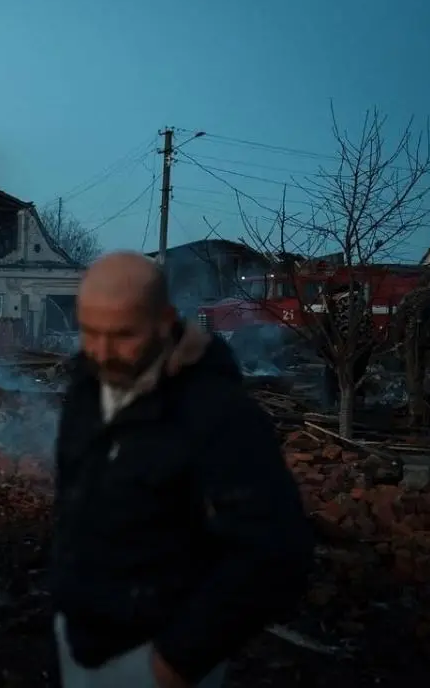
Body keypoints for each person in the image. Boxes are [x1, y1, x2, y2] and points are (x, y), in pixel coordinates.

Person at [52, 251, 313, 688]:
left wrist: (180, 657)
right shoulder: (86, 387)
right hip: (81, 640)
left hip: (154, 655)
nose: (103, 352)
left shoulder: (218, 413)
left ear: (164, 321)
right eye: (91, 332)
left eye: (123, 335)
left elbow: (276, 551)